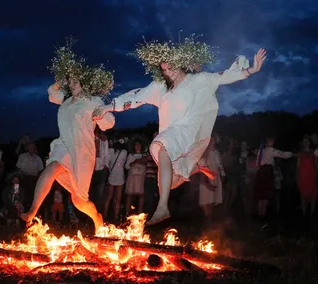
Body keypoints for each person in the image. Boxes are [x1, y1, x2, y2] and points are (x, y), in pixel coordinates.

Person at [93, 35, 267, 224]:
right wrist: (108, 107)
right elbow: (136, 96)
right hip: (173, 135)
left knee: (160, 147)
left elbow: (223, 76)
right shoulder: (160, 88)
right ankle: (197, 168)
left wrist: (252, 69)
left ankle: (162, 208)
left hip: (188, 131)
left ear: (181, 62)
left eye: (171, 67)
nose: (168, 72)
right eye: (164, 69)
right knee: (169, 182)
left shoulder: (198, 80)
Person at [21, 39, 115, 230]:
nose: (71, 85)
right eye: (70, 82)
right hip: (64, 145)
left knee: (79, 201)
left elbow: (110, 122)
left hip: (82, 151)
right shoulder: (65, 100)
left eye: (74, 81)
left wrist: (100, 114)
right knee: (51, 168)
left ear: (84, 82)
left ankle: (97, 218)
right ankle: (32, 211)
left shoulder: (91, 100)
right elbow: (51, 93)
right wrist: (60, 81)